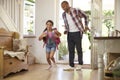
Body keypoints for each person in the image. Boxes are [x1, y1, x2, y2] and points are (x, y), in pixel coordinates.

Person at [61, 1, 90, 70]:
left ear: (68, 5)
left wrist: (86, 25)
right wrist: (66, 30)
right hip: (69, 33)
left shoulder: (76, 10)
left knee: (79, 49)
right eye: (62, 7)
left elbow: (86, 16)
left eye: (64, 6)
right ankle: (71, 65)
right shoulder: (63, 14)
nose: (64, 8)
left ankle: (80, 64)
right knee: (71, 50)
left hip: (77, 32)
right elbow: (66, 23)